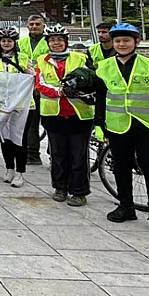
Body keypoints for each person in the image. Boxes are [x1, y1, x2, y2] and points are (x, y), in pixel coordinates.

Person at [93, 22, 149, 236]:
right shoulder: (104, 67)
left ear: (136, 42)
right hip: (117, 126)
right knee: (121, 168)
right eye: (118, 41)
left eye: (126, 40)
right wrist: (98, 124)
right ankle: (125, 206)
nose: (122, 44)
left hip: (146, 126)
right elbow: (100, 97)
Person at [33, 24, 92, 206]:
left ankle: (79, 192)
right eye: (52, 40)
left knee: (78, 155)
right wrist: (61, 92)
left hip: (79, 114)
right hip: (53, 114)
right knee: (58, 154)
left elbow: (91, 80)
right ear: (48, 43)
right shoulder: (42, 60)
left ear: (66, 42)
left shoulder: (80, 58)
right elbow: (40, 84)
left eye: (59, 40)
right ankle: (60, 187)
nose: (56, 43)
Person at [0, 27, 29, 187]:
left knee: (19, 139)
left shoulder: (24, 57)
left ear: (14, 43)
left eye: (9, 41)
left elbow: (31, 75)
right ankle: (9, 168)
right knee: (5, 138)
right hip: (2, 104)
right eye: (3, 41)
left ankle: (20, 172)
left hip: (22, 105)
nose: (6, 43)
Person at [20, 14, 50, 165]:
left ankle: (52, 153)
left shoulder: (49, 42)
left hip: (45, 85)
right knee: (32, 123)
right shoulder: (22, 42)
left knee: (49, 122)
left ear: (43, 26)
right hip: (27, 87)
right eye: (31, 24)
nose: (34, 27)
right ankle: (33, 154)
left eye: (37, 24)